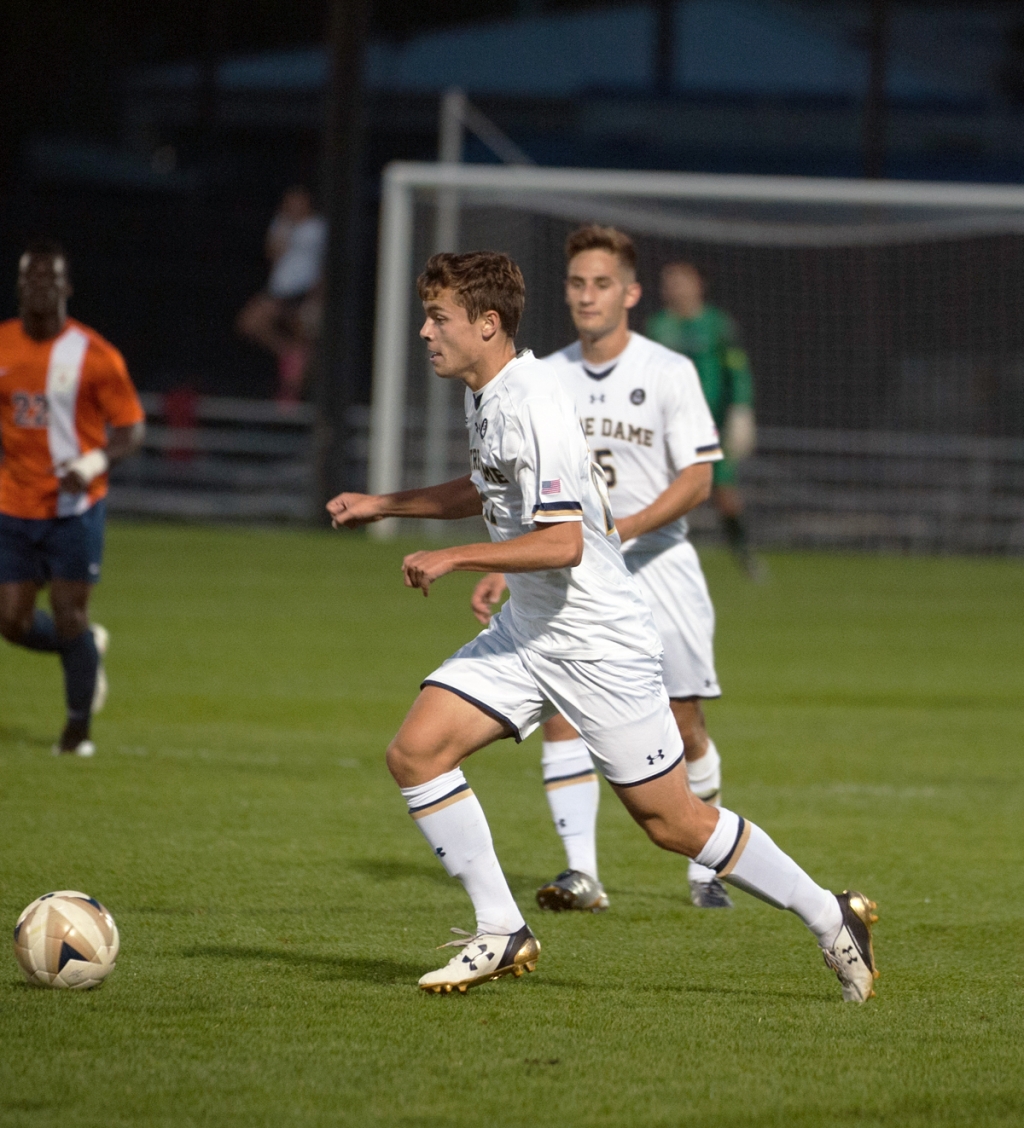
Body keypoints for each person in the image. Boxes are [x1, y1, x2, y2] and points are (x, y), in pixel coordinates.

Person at [327, 250, 878, 1003]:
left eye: (438, 318)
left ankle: (830, 913)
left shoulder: (535, 400)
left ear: (488, 325)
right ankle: (502, 929)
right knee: (416, 753)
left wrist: (456, 556)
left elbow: (564, 541)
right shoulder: (486, 391)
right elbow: (486, 484)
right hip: (531, 630)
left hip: (597, 643)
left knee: (672, 821)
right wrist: (384, 503)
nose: (425, 332)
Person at [471, 225, 732, 913]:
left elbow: (700, 478)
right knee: (561, 709)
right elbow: (525, 493)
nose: (588, 296)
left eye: (602, 284)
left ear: (631, 293)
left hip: (659, 565)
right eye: (578, 284)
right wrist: (507, 565)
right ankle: (582, 873)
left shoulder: (667, 372)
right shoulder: (542, 377)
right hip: (578, 576)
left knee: (683, 725)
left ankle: (707, 864)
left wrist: (628, 525)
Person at [0, 240, 145, 756]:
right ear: (19, 287)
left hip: (74, 510)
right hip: (14, 505)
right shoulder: (3, 346)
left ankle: (76, 732)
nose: (38, 288)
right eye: (29, 280)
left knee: (68, 613)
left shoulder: (94, 355)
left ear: (65, 288)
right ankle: (87, 648)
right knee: (11, 622)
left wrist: (91, 464)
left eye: (49, 280)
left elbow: (131, 429)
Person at [646, 262, 763, 578]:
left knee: (723, 493)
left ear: (699, 284)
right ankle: (656, 560)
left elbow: (737, 367)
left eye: (682, 282)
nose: (675, 289)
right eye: (669, 283)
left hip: (712, 424)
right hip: (666, 425)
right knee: (661, 492)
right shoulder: (658, 326)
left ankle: (745, 556)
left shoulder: (717, 325)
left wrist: (741, 408)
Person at [235, 185, 326, 405]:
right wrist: (285, 229)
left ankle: (292, 396)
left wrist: (319, 296)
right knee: (249, 323)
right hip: (279, 291)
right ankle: (289, 354)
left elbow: (325, 264)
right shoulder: (282, 224)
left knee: (305, 339)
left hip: (305, 292)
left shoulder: (318, 228)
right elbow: (272, 254)